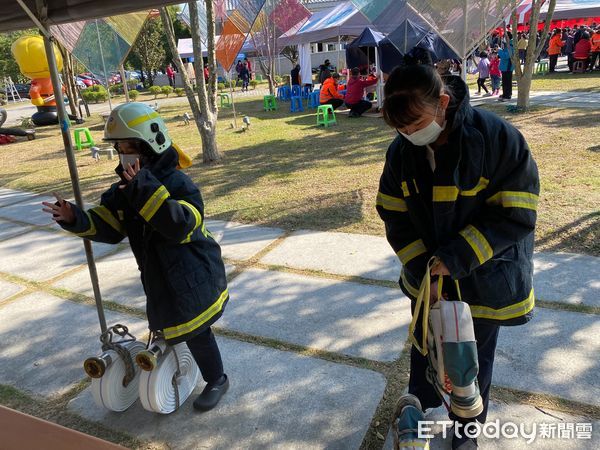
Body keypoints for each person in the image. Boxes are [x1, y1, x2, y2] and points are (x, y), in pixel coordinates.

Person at [377, 64, 539, 450]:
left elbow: (517, 213)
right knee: (425, 348)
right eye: (400, 128)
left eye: (415, 123)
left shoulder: (498, 140)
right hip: (429, 282)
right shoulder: (402, 153)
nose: (409, 134)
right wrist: (424, 271)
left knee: (470, 362)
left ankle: (466, 433)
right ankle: (416, 416)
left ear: (443, 103)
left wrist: (455, 258)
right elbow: (394, 215)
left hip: (484, 280)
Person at [41, 103, 231, 412]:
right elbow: (110, 226)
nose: (121, 155)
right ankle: (171, 362)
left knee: (195, 330)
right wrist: (73, 217)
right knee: (168, 323)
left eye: (126, 148)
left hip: (192, 274)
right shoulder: (125, 189)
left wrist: (142, 188)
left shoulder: (178, 184)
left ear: (148, 146)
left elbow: (179, 226)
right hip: (159, 276)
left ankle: (217, 379)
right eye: (118, 149)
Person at [497, 35, 514, 102]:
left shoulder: (510, 46)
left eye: (505, 37)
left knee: (507, 82)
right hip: (505, 67)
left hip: (508, 67)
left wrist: (499, 51)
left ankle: (508, 95)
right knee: (504, 82)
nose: (504, 39)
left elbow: (506, 56)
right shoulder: (507, 45)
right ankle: (505, 94)